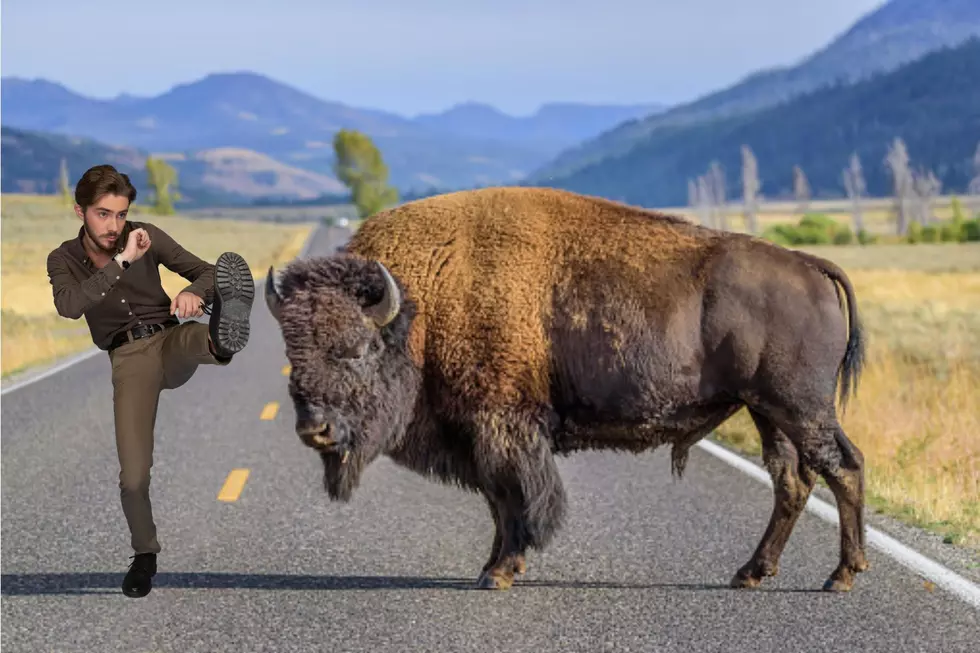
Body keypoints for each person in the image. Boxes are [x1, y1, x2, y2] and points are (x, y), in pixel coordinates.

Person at [46, 164, 255, 598]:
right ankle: (145, 556)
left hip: (168, 338)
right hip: (127, 360)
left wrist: (195, 292)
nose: (114, 226)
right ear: (79, 211)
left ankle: (224, 339)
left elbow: (212, 271)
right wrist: (123, 262)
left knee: (196, 339)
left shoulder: (148, 235)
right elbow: (70, 306)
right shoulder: (63, 259)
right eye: (103, 214)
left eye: (121, 215)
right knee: (134, 476)